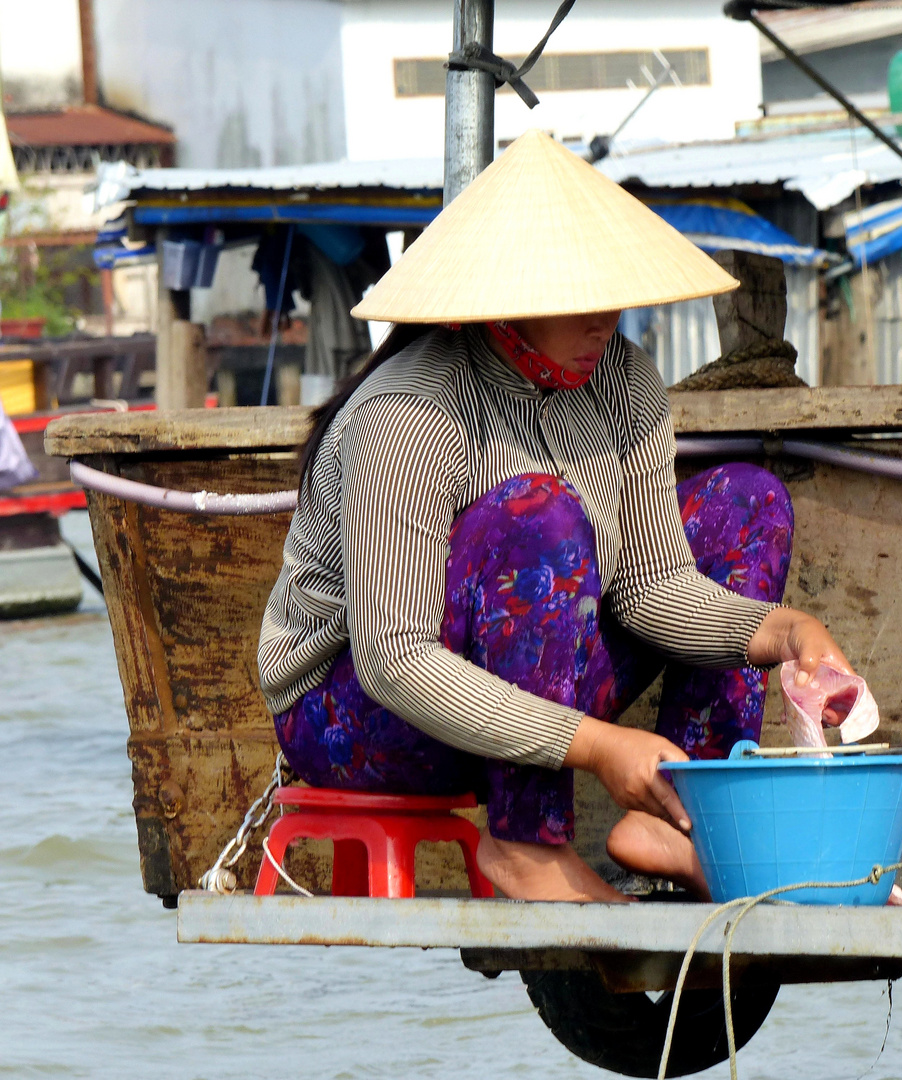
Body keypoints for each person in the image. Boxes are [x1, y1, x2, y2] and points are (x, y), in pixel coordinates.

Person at [257, 131, 856, 903]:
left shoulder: (624, 380)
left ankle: (684, 817)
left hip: (528, 686)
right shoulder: (409, 414)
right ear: (507, 299)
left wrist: (785, 633)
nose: (603, 321)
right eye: (576, 298)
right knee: (539, 513)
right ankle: (525, 846)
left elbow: (652, 588)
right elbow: (395, 660)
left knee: (747, 498)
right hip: (360, 718)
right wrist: (601, 745)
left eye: (611, 294)